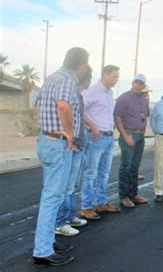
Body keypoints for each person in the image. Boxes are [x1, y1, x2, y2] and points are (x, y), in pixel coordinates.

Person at [33, 47, 89, 266]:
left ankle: (46, 241)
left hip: (46, 140)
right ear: (82, 64)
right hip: (58, 144)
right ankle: (42, 251)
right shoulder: (68, 79)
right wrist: (69, 133)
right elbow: (63, 106)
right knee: (52, 197)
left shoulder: (52, 78)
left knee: (50, 195)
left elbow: (37, 107)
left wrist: (48, 127)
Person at [54, 65, 92, 237]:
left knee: (72, 185)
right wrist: (73, 139)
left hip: (78, 144)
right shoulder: (71, 93)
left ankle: (69, 216)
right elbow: (66, 116)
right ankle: (60, 221)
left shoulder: (78, 95)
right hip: (73, 145)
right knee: (66, 186)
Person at [80, 65, 121, 220]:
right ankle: (86, 206)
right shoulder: (92, 91)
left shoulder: (109, 93)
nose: (117, 79)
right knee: (90, 172)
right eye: (114, 76)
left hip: (109, 137)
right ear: (105, 74)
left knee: (104, 172)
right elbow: (80, 111)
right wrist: (93, 125)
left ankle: (101, 202)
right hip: (96, 138)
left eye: (118, 77)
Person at [114, 74, 150, 208]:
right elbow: (117, 116)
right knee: (126, 166)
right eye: (136, 82)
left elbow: (145, 116)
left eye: (141, 83)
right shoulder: (124, 97)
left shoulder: (144, 98)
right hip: (128, 135)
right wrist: (125, 136)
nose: (138, 85)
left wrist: (143, 132)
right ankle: (124, 196)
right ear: (132, 82)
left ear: (144, 85)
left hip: (140, 136)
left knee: (135, 167)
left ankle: (133, 194)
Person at [137, 85, 152, 181]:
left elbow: (146, 117)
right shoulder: (136, 103)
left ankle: (136, 171)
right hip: (133, 132)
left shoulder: (145, 103)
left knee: (138, 154)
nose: (148, 95)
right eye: (146, 93)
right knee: (131, 156)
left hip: (141, 132)